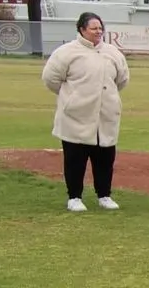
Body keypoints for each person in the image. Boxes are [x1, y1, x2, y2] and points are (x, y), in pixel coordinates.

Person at [42, 12, 131, 213]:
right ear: (82, 29)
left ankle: (104, 195)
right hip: (76, 116)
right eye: (93, 28)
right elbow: (51, 79)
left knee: (105, 158)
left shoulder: (112, 53)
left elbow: (122, 79)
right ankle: (74, 197)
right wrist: (71, 97)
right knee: (75, 159)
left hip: (105, 115)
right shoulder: (66, 52)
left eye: (100, 28)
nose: (98, 32)